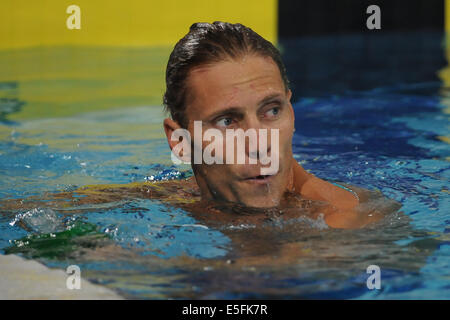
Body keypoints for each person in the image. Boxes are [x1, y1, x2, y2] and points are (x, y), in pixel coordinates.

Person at [162, 21, 383, 228]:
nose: (259, 146)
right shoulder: (166, 200)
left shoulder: (348, 224)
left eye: (272, 111)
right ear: (180, 141)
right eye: (227, 121)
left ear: (292, 113)